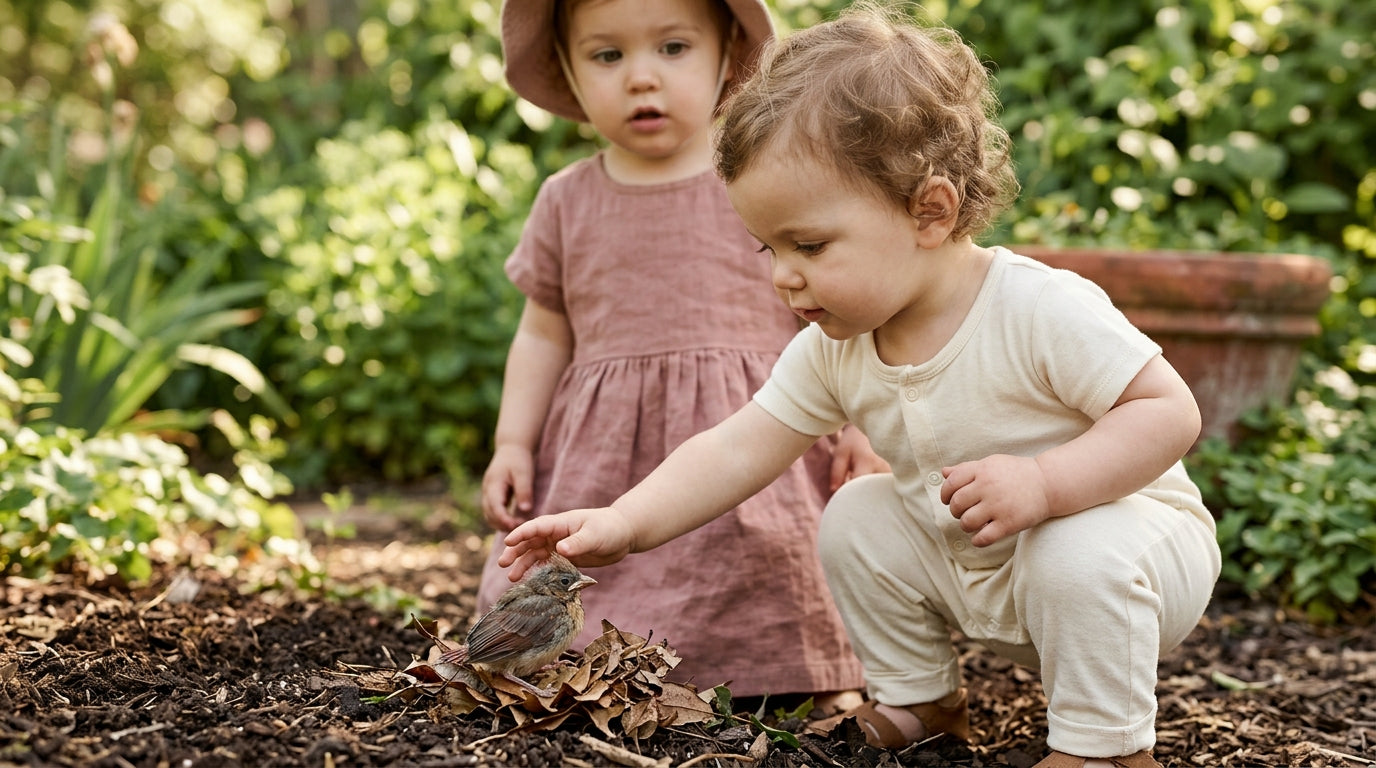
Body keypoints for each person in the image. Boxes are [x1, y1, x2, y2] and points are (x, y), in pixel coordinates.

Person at [497, 5, 1223, 767]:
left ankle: (1106, 748)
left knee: (1074, 550)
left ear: (929, 211)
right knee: (857, 514)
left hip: (1131, 555)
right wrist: (625, 523)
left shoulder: (1037, 307)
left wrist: (1046, 482)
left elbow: (1169, 411)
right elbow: (737, 447)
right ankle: (923, 702)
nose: (783, 276)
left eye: (808, 244)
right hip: (987, 565)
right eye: (768, 248)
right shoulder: (836, 347)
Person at [476, 0, 888, 710]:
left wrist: (860, 423)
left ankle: (812, 678)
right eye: (607, 56)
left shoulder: (764, 181)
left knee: (779, 561)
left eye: (672, 48)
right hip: (606, 456)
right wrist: (514, 439)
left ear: (729, 57)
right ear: (568, 72)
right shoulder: (566, 200)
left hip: (760, 440)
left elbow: (833, 315)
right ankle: (591, 677)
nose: (642, 78)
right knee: (583, 572)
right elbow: (543, 333)